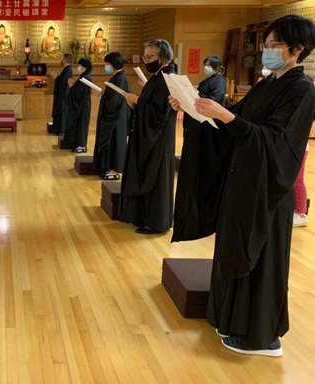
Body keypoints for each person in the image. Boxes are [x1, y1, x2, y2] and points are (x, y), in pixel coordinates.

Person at [169, 14, 315, 357]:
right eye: (265, 45)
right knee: (235, 250)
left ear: (296, 50)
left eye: (273, 45)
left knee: (261, 259)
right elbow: (235, 121)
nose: (266, 51)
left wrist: (226, 116)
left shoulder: (302, 90)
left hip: (267, 191)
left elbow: (277, 141)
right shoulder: (267, 83)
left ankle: (261, 336)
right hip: (243, 183)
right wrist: (195, 110)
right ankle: (231, 319)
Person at [120, 39, 178, 234]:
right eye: (145, 56)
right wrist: (137, 105)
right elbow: (151, 105)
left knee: (157, 176)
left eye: (150, 56)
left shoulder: (168, 78)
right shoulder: (157, 77)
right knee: (147, 172)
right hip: (150, 135)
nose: (147, 60)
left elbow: (159, 114)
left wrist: (138, 101)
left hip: (159, 138)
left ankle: (157, 222)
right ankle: (143, 216)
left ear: (163, 57)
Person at [172, 55, 227, 240]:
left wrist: (196, 96)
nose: (207, 68)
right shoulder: (209, 80)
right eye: (205, 65)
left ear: (217, 67)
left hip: (207, 126)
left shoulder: (219, 81)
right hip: (196, 123)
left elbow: (215, 100)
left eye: (209, 65)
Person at [93, 52, 130, 180]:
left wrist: (103, 97)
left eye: (107, 64)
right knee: (110, 142)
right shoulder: (115, 77)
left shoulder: (120, 78)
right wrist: (103, 93)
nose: (106, 66)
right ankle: (107, 166)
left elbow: (115, 100)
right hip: (113, 115)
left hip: (116, 117)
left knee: (115, 142)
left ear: (113, 64)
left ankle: (115, 169)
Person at [61, 57, 93, 153]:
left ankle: (82, 145)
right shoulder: (84, 75)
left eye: (80, 66)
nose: (78, 67)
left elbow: (79, 93)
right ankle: (77, 143)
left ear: (85, 67)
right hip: (82, 104)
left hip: (83, 105)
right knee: (79, 124)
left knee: (82, 124)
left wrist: (71, 86)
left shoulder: (86, 77)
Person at [50, 53, 73, 135]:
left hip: (63, 95)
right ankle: (59, 129)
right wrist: (57, 77)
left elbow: (63, 82)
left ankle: (61, 130)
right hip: (62, 94)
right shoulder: (66, 69)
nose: (61, 60)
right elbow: (62, 79)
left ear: (66, 60)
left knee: (62, 112)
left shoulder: (68, 70)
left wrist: (56, 77)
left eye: (62, 58)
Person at [293, 143, 309, 227]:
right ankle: (297, 210)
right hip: (298, 148)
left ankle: (301, 213)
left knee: (298, 180)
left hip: (300, 148)